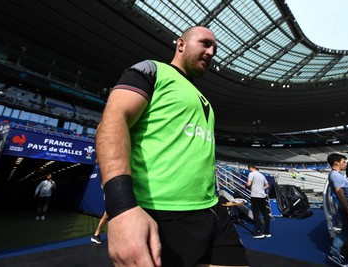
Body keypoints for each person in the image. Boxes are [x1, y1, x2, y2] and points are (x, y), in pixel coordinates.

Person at [96, 26, 249, 267]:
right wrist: (121, 204)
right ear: (181, 44)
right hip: (162, 213)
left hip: (212, 209)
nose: (211, 52)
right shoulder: (152, 70)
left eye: (215, 49)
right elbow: (114, 121)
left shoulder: (204, 99)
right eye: (205, 43)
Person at [244, 163, 271, 239]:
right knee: (265, 213)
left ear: (250, 168)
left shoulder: (251, 174)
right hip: (262, 196)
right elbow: (267, 185)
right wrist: (261, 189)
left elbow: (249, 184)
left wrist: (245, 186)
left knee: (256, 214)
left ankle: (259, 232)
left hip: (255, 196)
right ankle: (267, 232)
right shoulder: (262, 175)